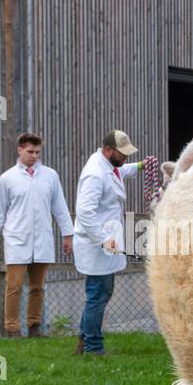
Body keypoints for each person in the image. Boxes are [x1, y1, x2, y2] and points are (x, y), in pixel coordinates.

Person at [0, 133, 74, 337]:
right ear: (20, 150)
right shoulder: (7, 178)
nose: (34, 156)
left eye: (37, 152)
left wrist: (68, 235)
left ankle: (34, 327)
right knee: (14, 287)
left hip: (42, 239)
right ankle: (12, 328)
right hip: (17, 239)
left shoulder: (50, 176)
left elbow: (60, 207)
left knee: (37, 287)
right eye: (30, 152)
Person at [73, 130, 142, 355]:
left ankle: (85, 340)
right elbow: (84, 212)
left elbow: (120, 171)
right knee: (98, 293)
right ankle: (93, 347)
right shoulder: (95, 174)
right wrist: (103, 240)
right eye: (122, 154)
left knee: (100, 292)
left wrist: (141, 166)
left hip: (105, 242)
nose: (125, 159)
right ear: (108, 150)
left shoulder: (108, 166)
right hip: (96, 245)